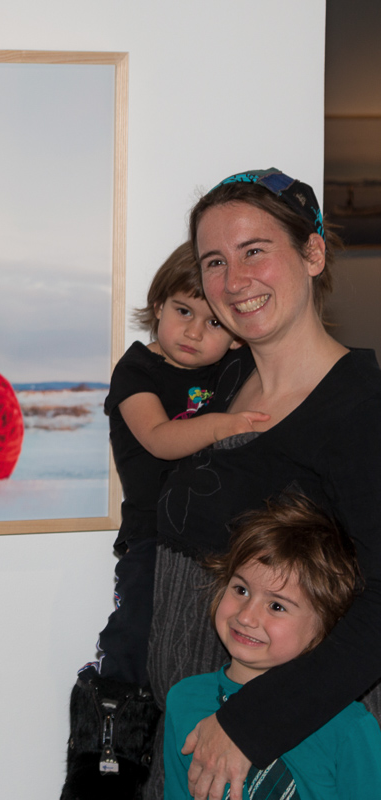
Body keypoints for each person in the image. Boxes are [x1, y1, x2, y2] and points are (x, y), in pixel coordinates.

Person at [146, 168, 381, 800]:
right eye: (215, 261)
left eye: (256, 251)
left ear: (312, 253)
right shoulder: (224, 387)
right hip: (197, 728)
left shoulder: (361, 412)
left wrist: (251, 724)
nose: (233, 281)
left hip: (286, 750)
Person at [63, 244, 265, 798]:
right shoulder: (137, 370)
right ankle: (108, 745)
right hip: (153, 535)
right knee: (136, 635)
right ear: (158, 305)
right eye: (183, 311)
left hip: (218, 537)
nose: (195, 333)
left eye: (214, 323)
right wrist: (225, 425)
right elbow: (158, 437)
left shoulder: (234, 369)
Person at [164, 494, 381, 799]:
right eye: (240, 590)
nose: (247, 616)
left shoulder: (349, 726)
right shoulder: (183, 699)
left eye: (277, 607)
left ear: (325, 628)